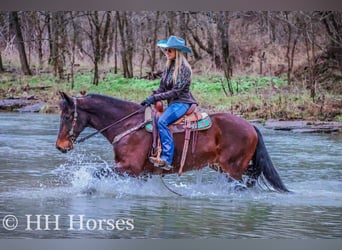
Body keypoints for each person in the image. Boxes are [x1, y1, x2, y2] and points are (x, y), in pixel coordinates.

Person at [141, 35, 197, 170]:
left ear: (177, 52)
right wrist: (151, 97)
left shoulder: (184, 69)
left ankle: (167, 158)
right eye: (166, 50)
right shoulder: (168, 67)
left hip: (182, 103)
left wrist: (156, 98)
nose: (167, 53)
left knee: (162, 122)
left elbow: (176, 92)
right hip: (173, 103)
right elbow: (162, 88)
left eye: (170, 51)